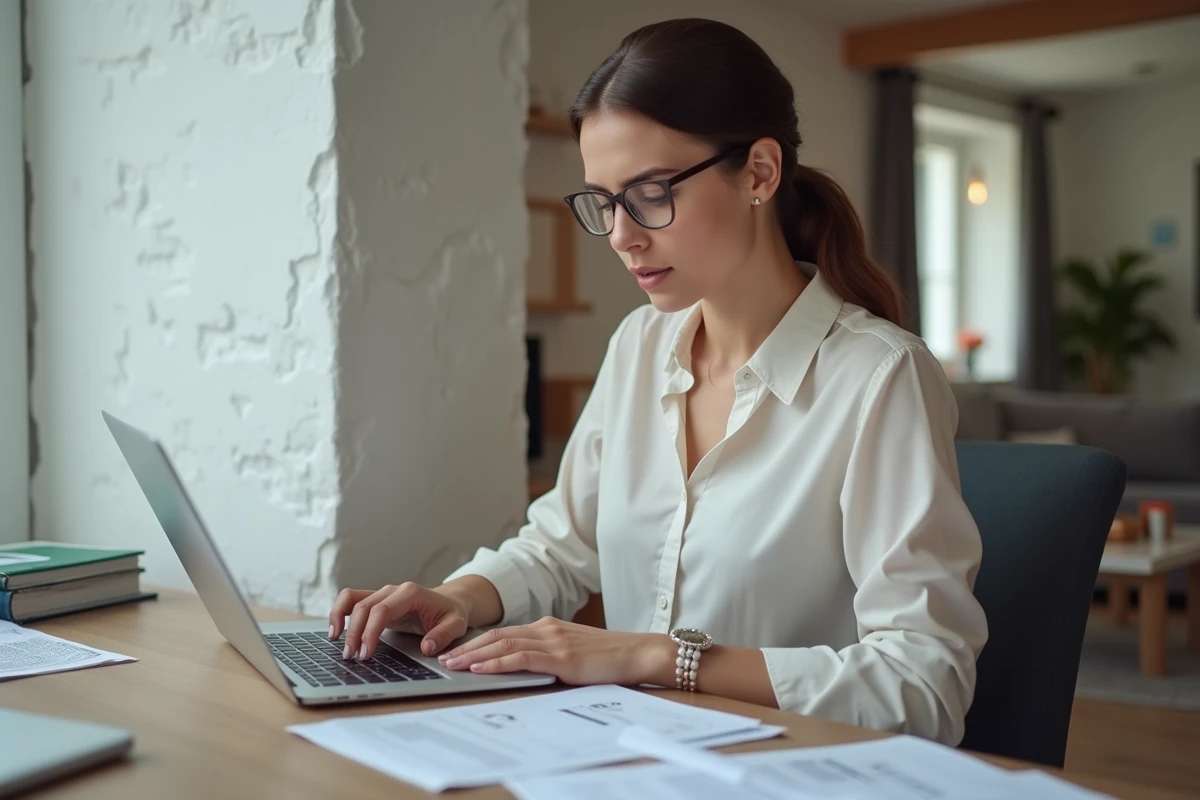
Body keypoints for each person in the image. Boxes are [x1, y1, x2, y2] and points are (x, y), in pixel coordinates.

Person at [328, 17, 988, 747]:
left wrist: (655, 657)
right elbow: (559, 545)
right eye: (605, 202)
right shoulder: (640, 346)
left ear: (761, 173)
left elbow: (925, 685)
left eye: (649, 193)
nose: (622, 235)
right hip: (627, 755)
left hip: (787, 772)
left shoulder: (879, 378)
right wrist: (456, 597)